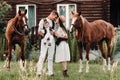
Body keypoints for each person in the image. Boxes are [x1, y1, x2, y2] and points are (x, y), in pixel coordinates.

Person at [37, 10, 59, 76]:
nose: (55, 19)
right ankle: (39, 72)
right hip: (44, 41)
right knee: (42, 56)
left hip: (52, 41)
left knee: (51, 57)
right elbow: (39, 31)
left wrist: (54, 33)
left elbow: (54, 32)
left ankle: (50, 72)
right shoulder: (43, 20)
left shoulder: (53, 22)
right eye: (54, 17)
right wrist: (45, 37)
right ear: (52, 14)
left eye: (56, 18)